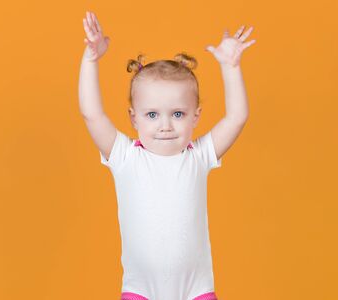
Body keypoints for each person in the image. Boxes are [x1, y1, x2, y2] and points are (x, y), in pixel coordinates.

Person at [79, 10, 256, 300]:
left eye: (177, 114)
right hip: (141, 290)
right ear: (133, 118)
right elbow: (91, 114)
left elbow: (237, 117)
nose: (165, 126)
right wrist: (90, 60)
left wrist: (231, 68)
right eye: (152, 114)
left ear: (195, 116)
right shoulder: (125, 157)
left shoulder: (197, 156)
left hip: (196, 289)